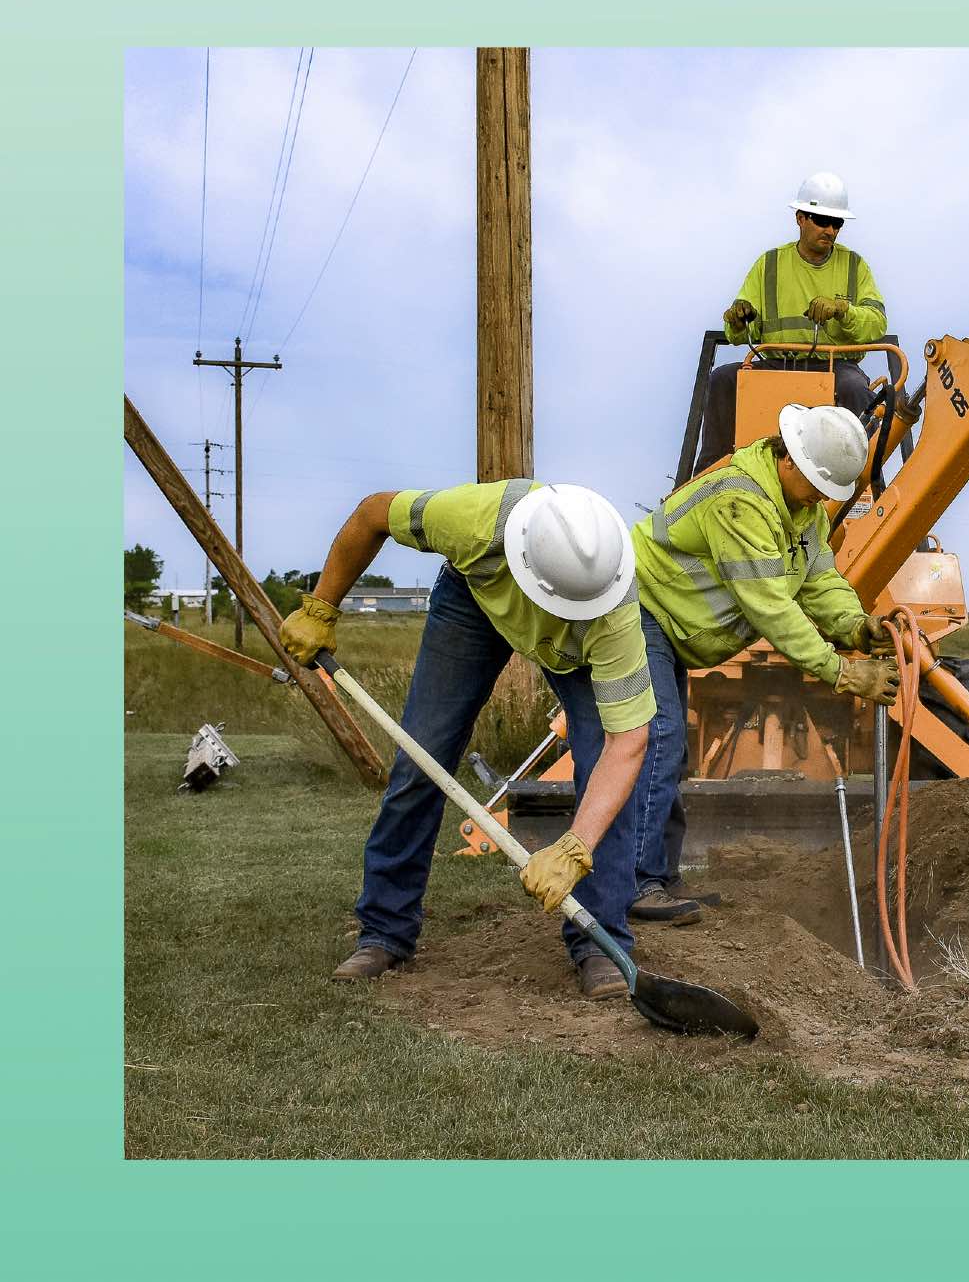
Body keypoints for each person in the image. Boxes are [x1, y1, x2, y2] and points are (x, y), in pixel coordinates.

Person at [278, 481, 657, 1001]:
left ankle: (599, 941)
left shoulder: (613, 609)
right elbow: (372, 514)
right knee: (421, 758)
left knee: (608, 776)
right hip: (473, 601)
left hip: (577, 647)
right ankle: (385, 930)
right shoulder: (478, 522)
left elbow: (628, 742)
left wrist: (575, 848)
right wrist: (322, 606)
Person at [627, 403, 903, 923]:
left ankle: (661, 875)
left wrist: (855, 625)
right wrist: (842, 671)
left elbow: (820, 582)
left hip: (673, 627)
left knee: (670, 747)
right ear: (791, 460)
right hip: (642, 615)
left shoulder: (804, 512)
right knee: (660, 739)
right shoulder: (738, 499)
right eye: (819, 485)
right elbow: (770, 604)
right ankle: (638, 884)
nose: (823, 497)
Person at [694, 171, 896, 471]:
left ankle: (861, 479)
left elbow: (876, 323)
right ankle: (710, 475)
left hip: (835, 366)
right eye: (821, 220)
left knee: (856, 389)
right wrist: (738, 321)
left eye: (836, 223)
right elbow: (740, 332)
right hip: (777, 364)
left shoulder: (855, 266)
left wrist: (843, 309)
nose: (830, 230)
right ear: (800, 218)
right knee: (724, 380)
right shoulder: (770, 265)